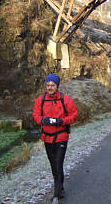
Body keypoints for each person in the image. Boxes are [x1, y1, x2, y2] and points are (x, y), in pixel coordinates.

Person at [32, 73, 78, 204]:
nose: (50, 88)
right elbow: (35, 115)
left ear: (57, 86)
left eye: (52, 85)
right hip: (47, 138)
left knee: (58, 163)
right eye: (48, 85)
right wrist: (43, 120)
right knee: (54, 165)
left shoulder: (66, 99)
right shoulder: (40, 100)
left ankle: (56, 195)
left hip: (61, 137)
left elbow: (74, 114)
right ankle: (61, 189)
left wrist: (61, 121)